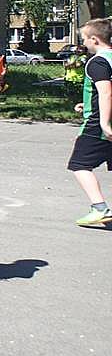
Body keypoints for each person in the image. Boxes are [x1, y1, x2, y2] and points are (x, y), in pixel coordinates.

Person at [67, 18, 112, 229]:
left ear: (94, 39)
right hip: (102, 115)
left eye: (84, 39)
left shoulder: (98, 62)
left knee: (80, 164)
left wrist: (104, 122)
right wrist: (86, 103)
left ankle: (100, 207)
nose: (83, 43)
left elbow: (106, 92)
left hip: (98, 125)